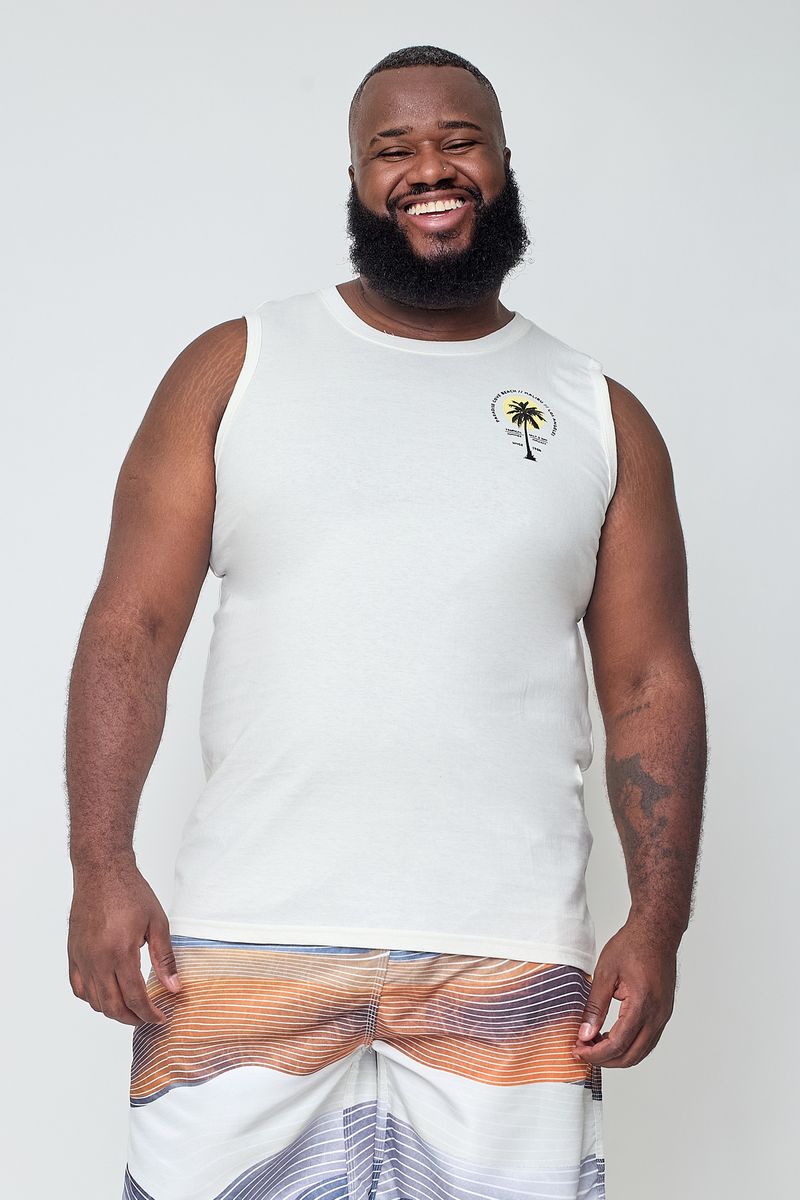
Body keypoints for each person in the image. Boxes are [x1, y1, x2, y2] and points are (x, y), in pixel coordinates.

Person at [65, 44, 707, 1200]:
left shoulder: (595, 413)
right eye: (391, 149)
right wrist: (101, 866)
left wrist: (655, 925)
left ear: (502, 162)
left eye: (457, 141)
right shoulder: (236, 368)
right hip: (248, 940)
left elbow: (648, 683)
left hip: (509, 955)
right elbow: (130, 631)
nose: (428, 168)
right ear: (356, 179)